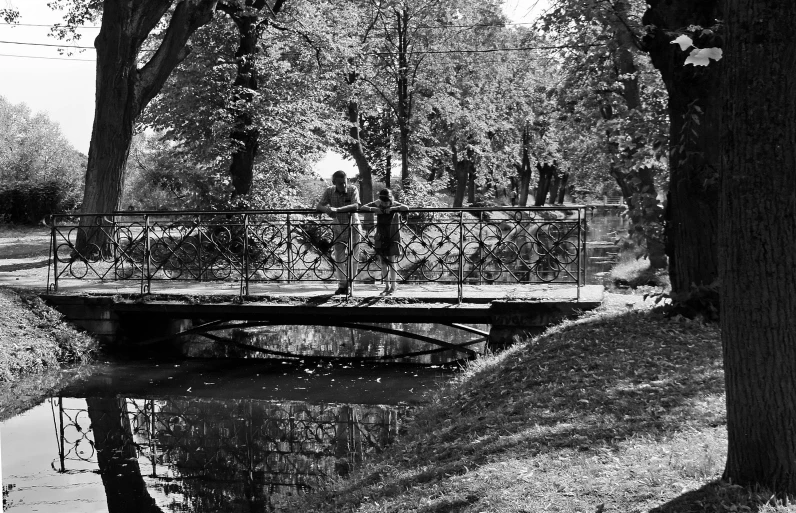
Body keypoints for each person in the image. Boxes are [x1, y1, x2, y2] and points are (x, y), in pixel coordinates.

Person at [316, 170, 361, 295]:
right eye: (340, 183)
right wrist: (327, 210)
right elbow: (319, 206)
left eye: (345, 182)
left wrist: (337, 209)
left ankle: (351, 284)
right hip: (338, 228)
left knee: (354, 257)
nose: (344, 185)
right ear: (334, 182)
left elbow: (355, 206)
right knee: (339, 257)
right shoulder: (329, 191)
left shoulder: (353, 190)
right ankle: (342, 285)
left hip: (353, 226)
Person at [362, 189, 409, 295]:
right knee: (383, 263)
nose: (384, 204)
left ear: (390, 199)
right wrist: (373, 209)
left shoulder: (394, 204)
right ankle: (386, 286)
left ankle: (393, 286)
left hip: (392, 236)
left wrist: (393, 208)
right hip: (380, 236)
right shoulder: (378, 204)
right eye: (383, 202)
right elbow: (362, 207)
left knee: (392, 262)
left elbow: (406, 208)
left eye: (386, 202)